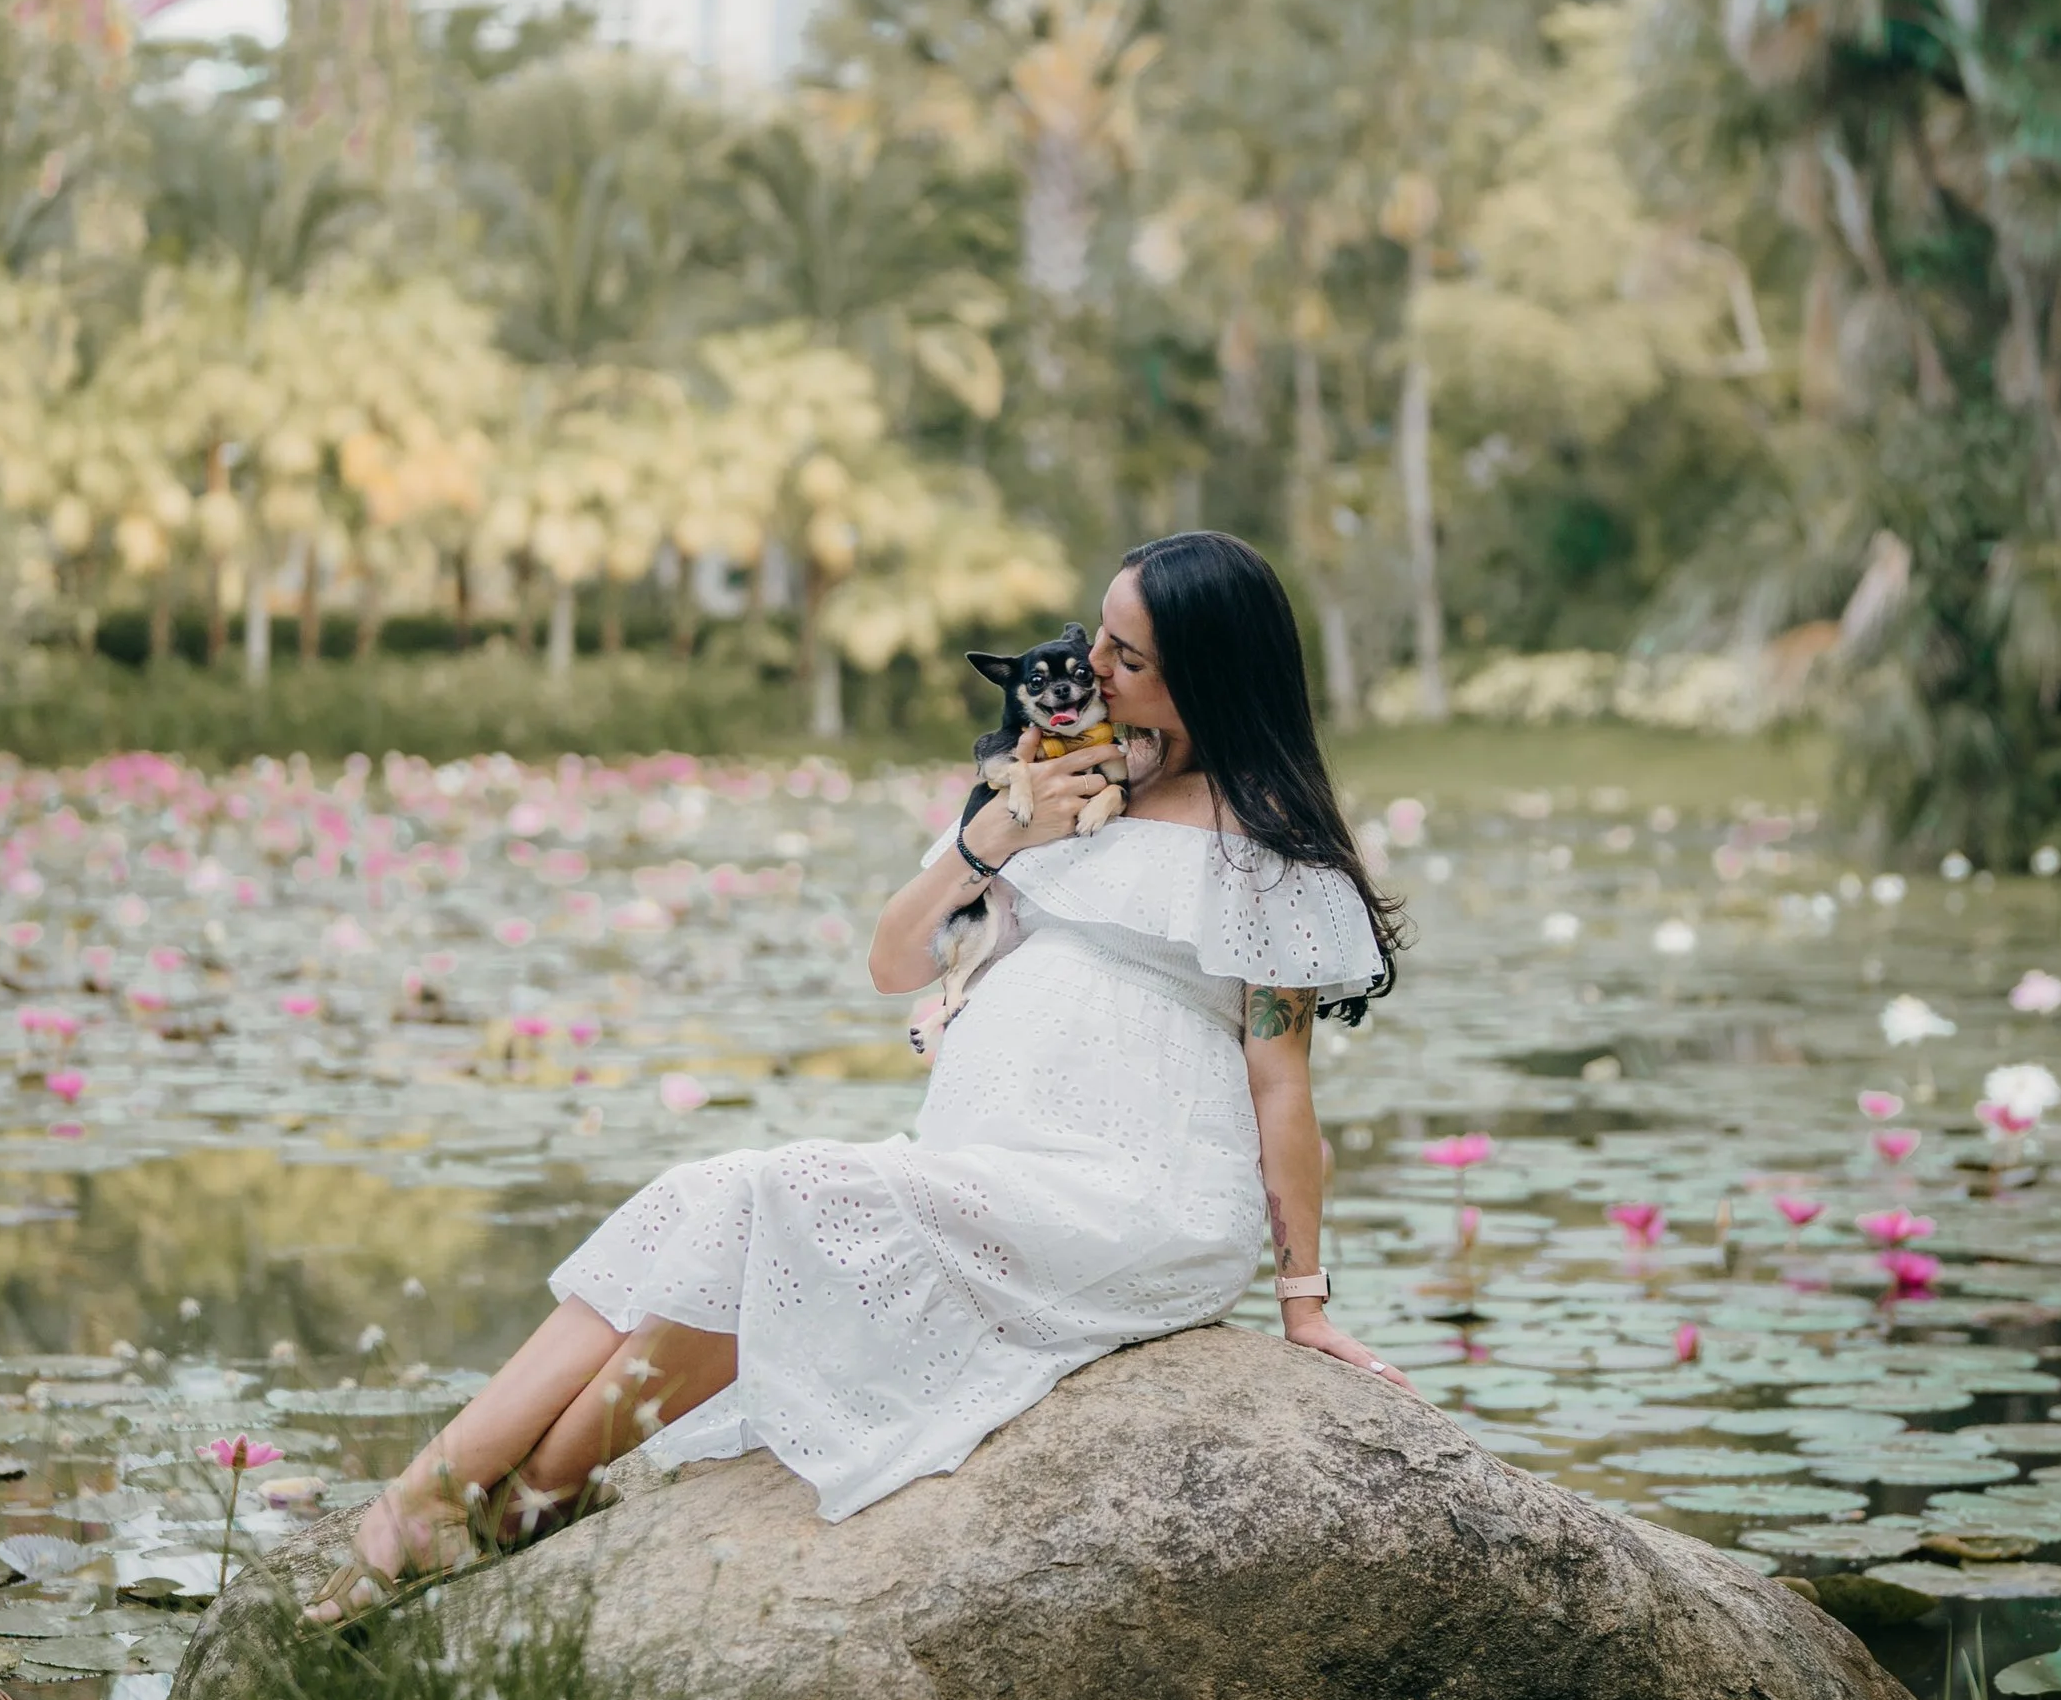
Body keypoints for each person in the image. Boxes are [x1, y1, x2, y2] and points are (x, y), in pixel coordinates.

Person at [307, 529, 1405, 1622]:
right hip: (996, 1164)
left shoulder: (1263, 859)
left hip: (1136, 1195)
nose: (1093, 669)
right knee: (712, 1194)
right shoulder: (1052, 784)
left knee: (795, 1199)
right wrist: (994, 843)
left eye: (1127, 657)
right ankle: (469, 1496)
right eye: (1101, 639)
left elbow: (1280, 1089)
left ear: (1206, 673)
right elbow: (893, 964)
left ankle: (486, 1498)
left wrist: (1301, 1307)